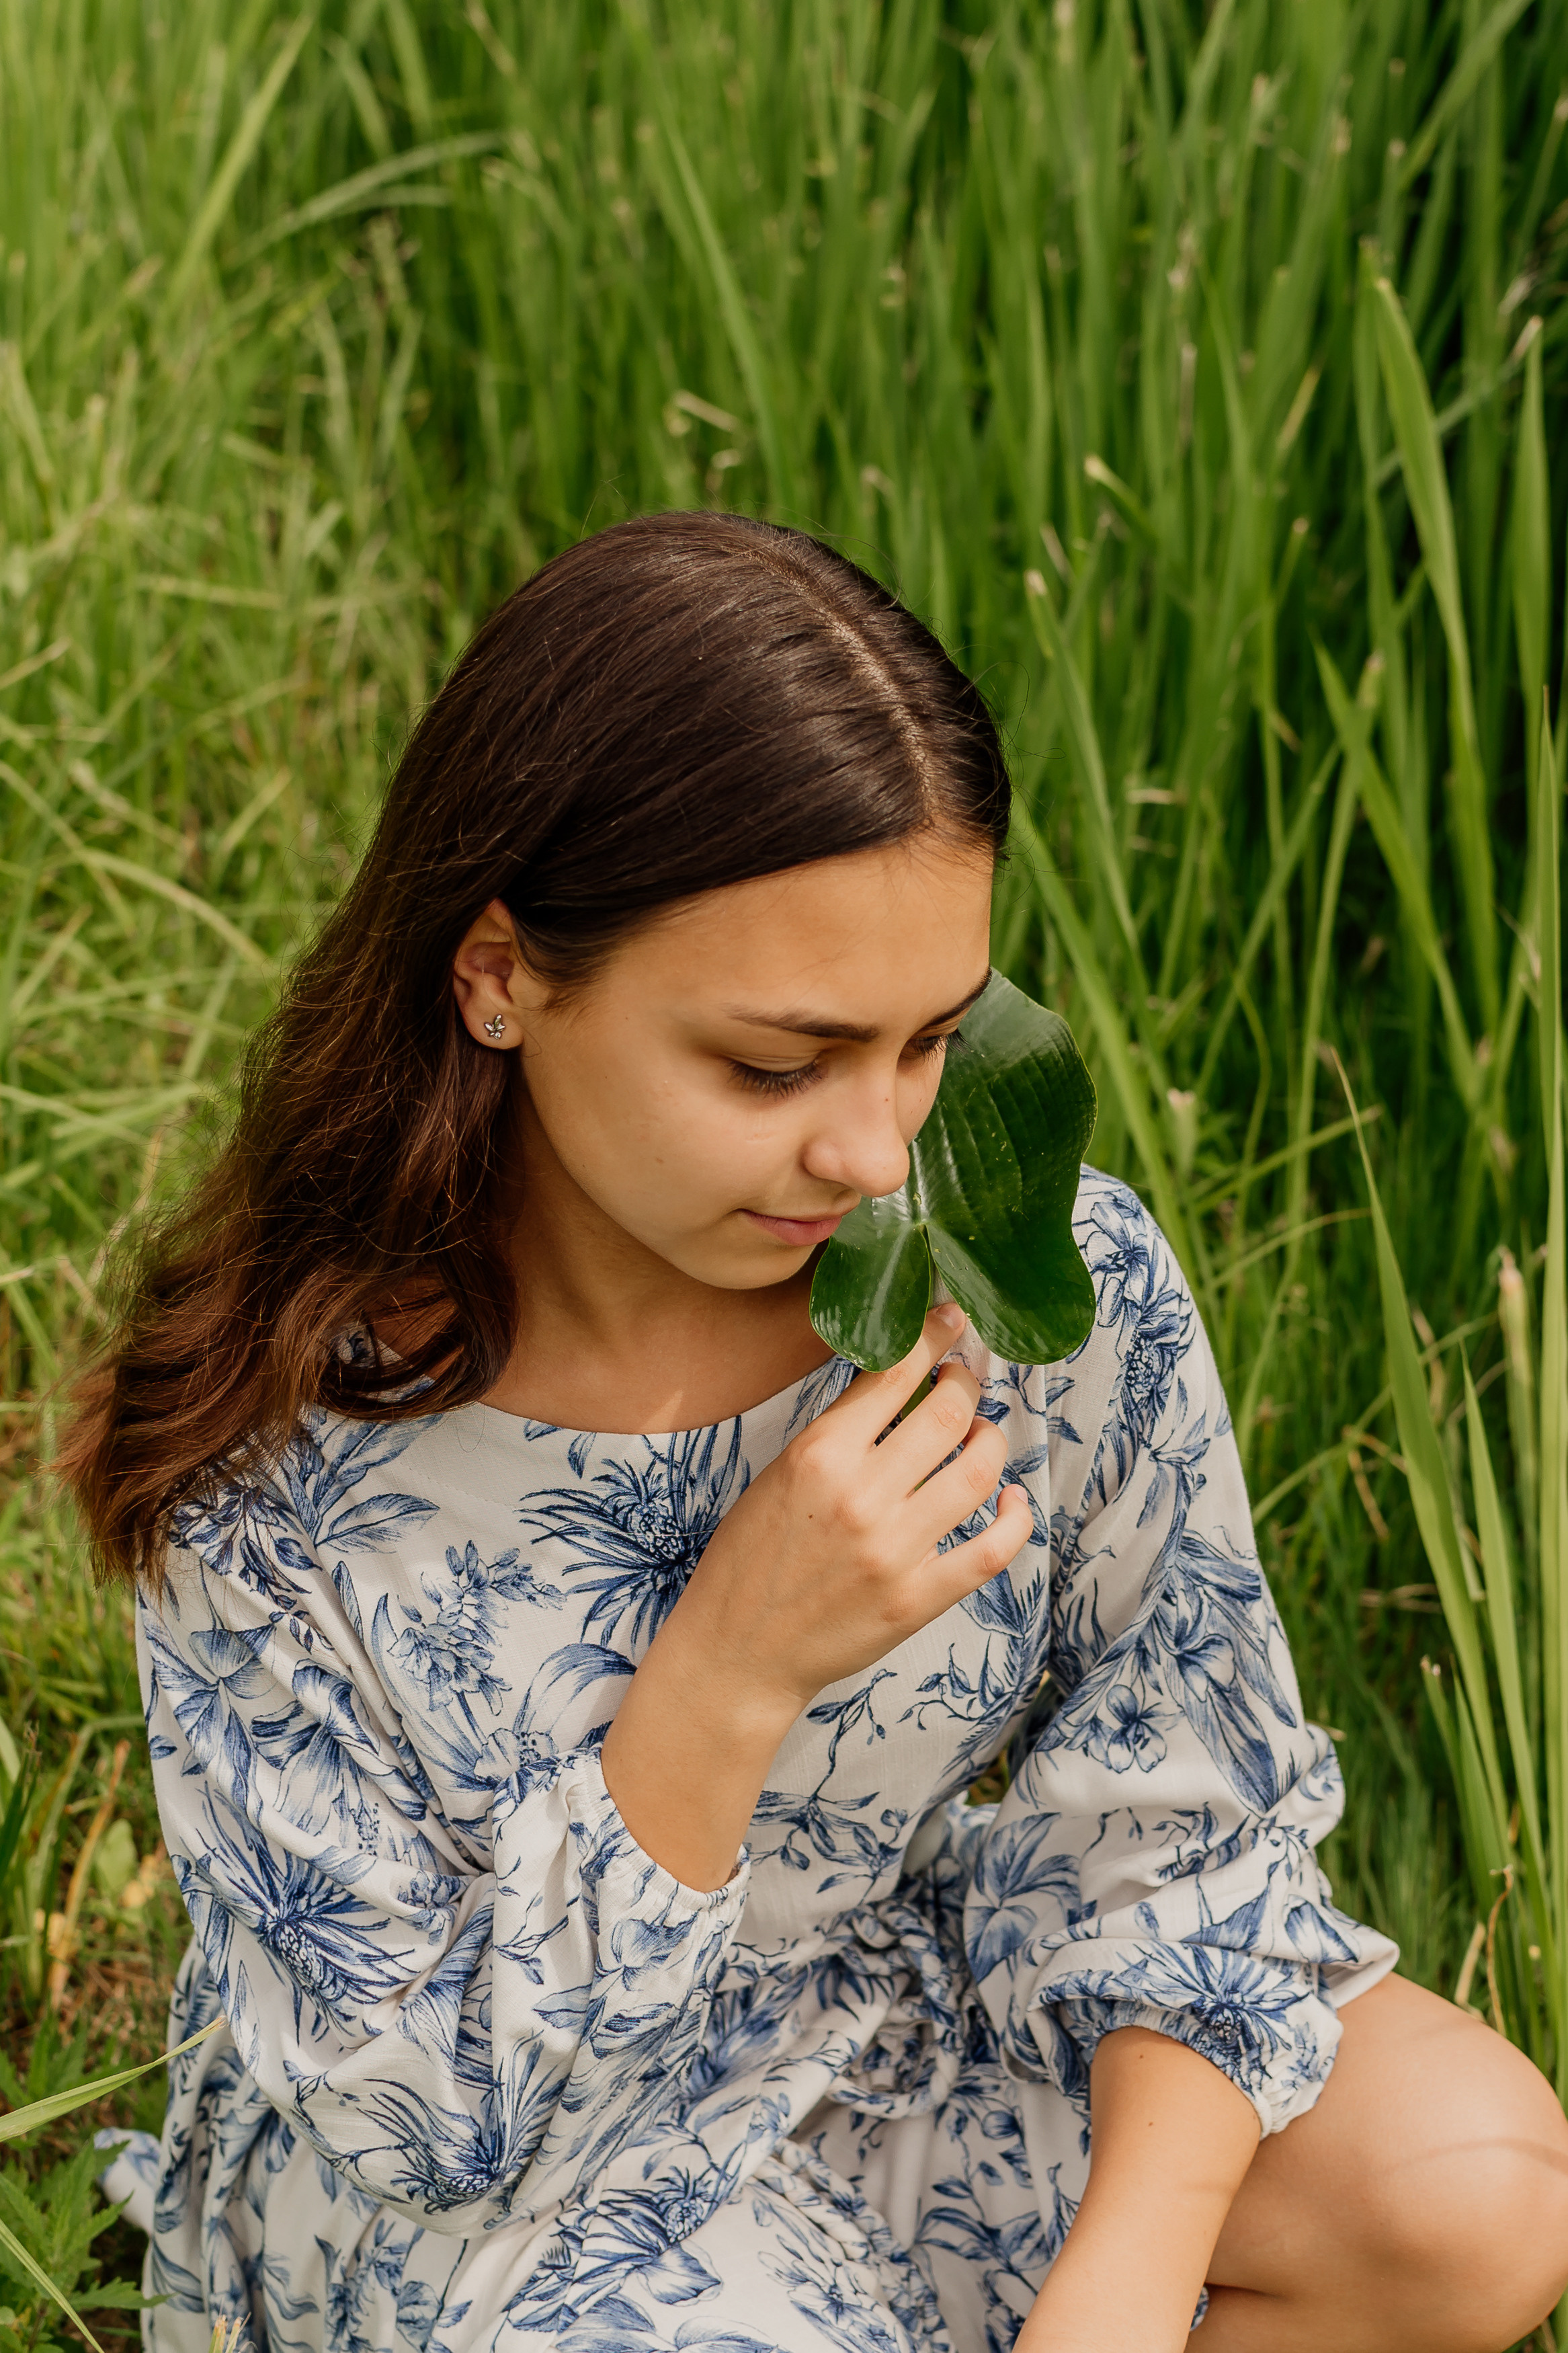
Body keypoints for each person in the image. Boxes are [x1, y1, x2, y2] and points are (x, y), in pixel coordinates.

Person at [71, 512, 1567, 2353]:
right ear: (499, 975)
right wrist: (728, 1666)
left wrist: (1121, 2285)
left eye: (930, 1040)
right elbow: (423, 2130)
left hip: (883, 2028)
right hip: (501, 2198)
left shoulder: (1015, 1282)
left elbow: (1189, 1810)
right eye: (775, 1065)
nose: (871, 1152)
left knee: (1478, 2190)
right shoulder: (276, 1452)